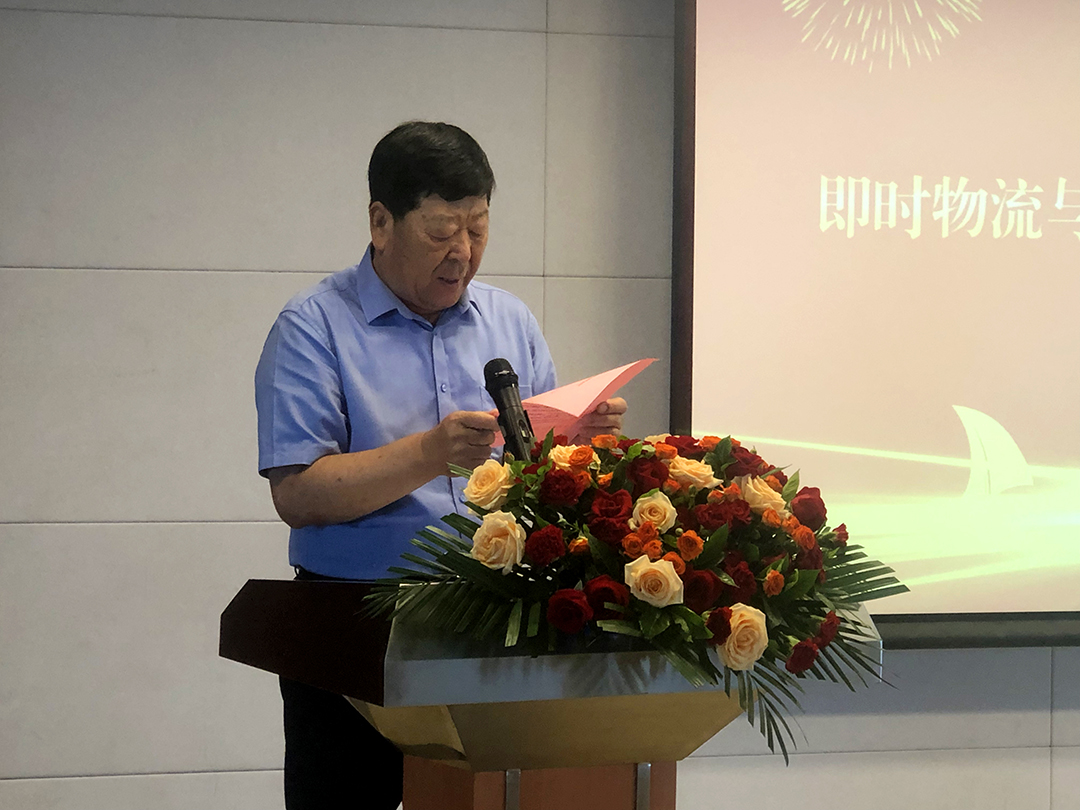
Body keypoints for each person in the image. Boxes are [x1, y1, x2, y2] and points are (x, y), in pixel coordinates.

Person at [254, 120, 626, 809]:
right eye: (441, 232)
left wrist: (586, 443)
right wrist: (430, 453)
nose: (463, 253)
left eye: (478, 230)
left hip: (497, 622)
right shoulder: (313, 326)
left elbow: (542, 472)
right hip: (352, 628)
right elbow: (299, 494)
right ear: (380, 222)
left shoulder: (509, 320)